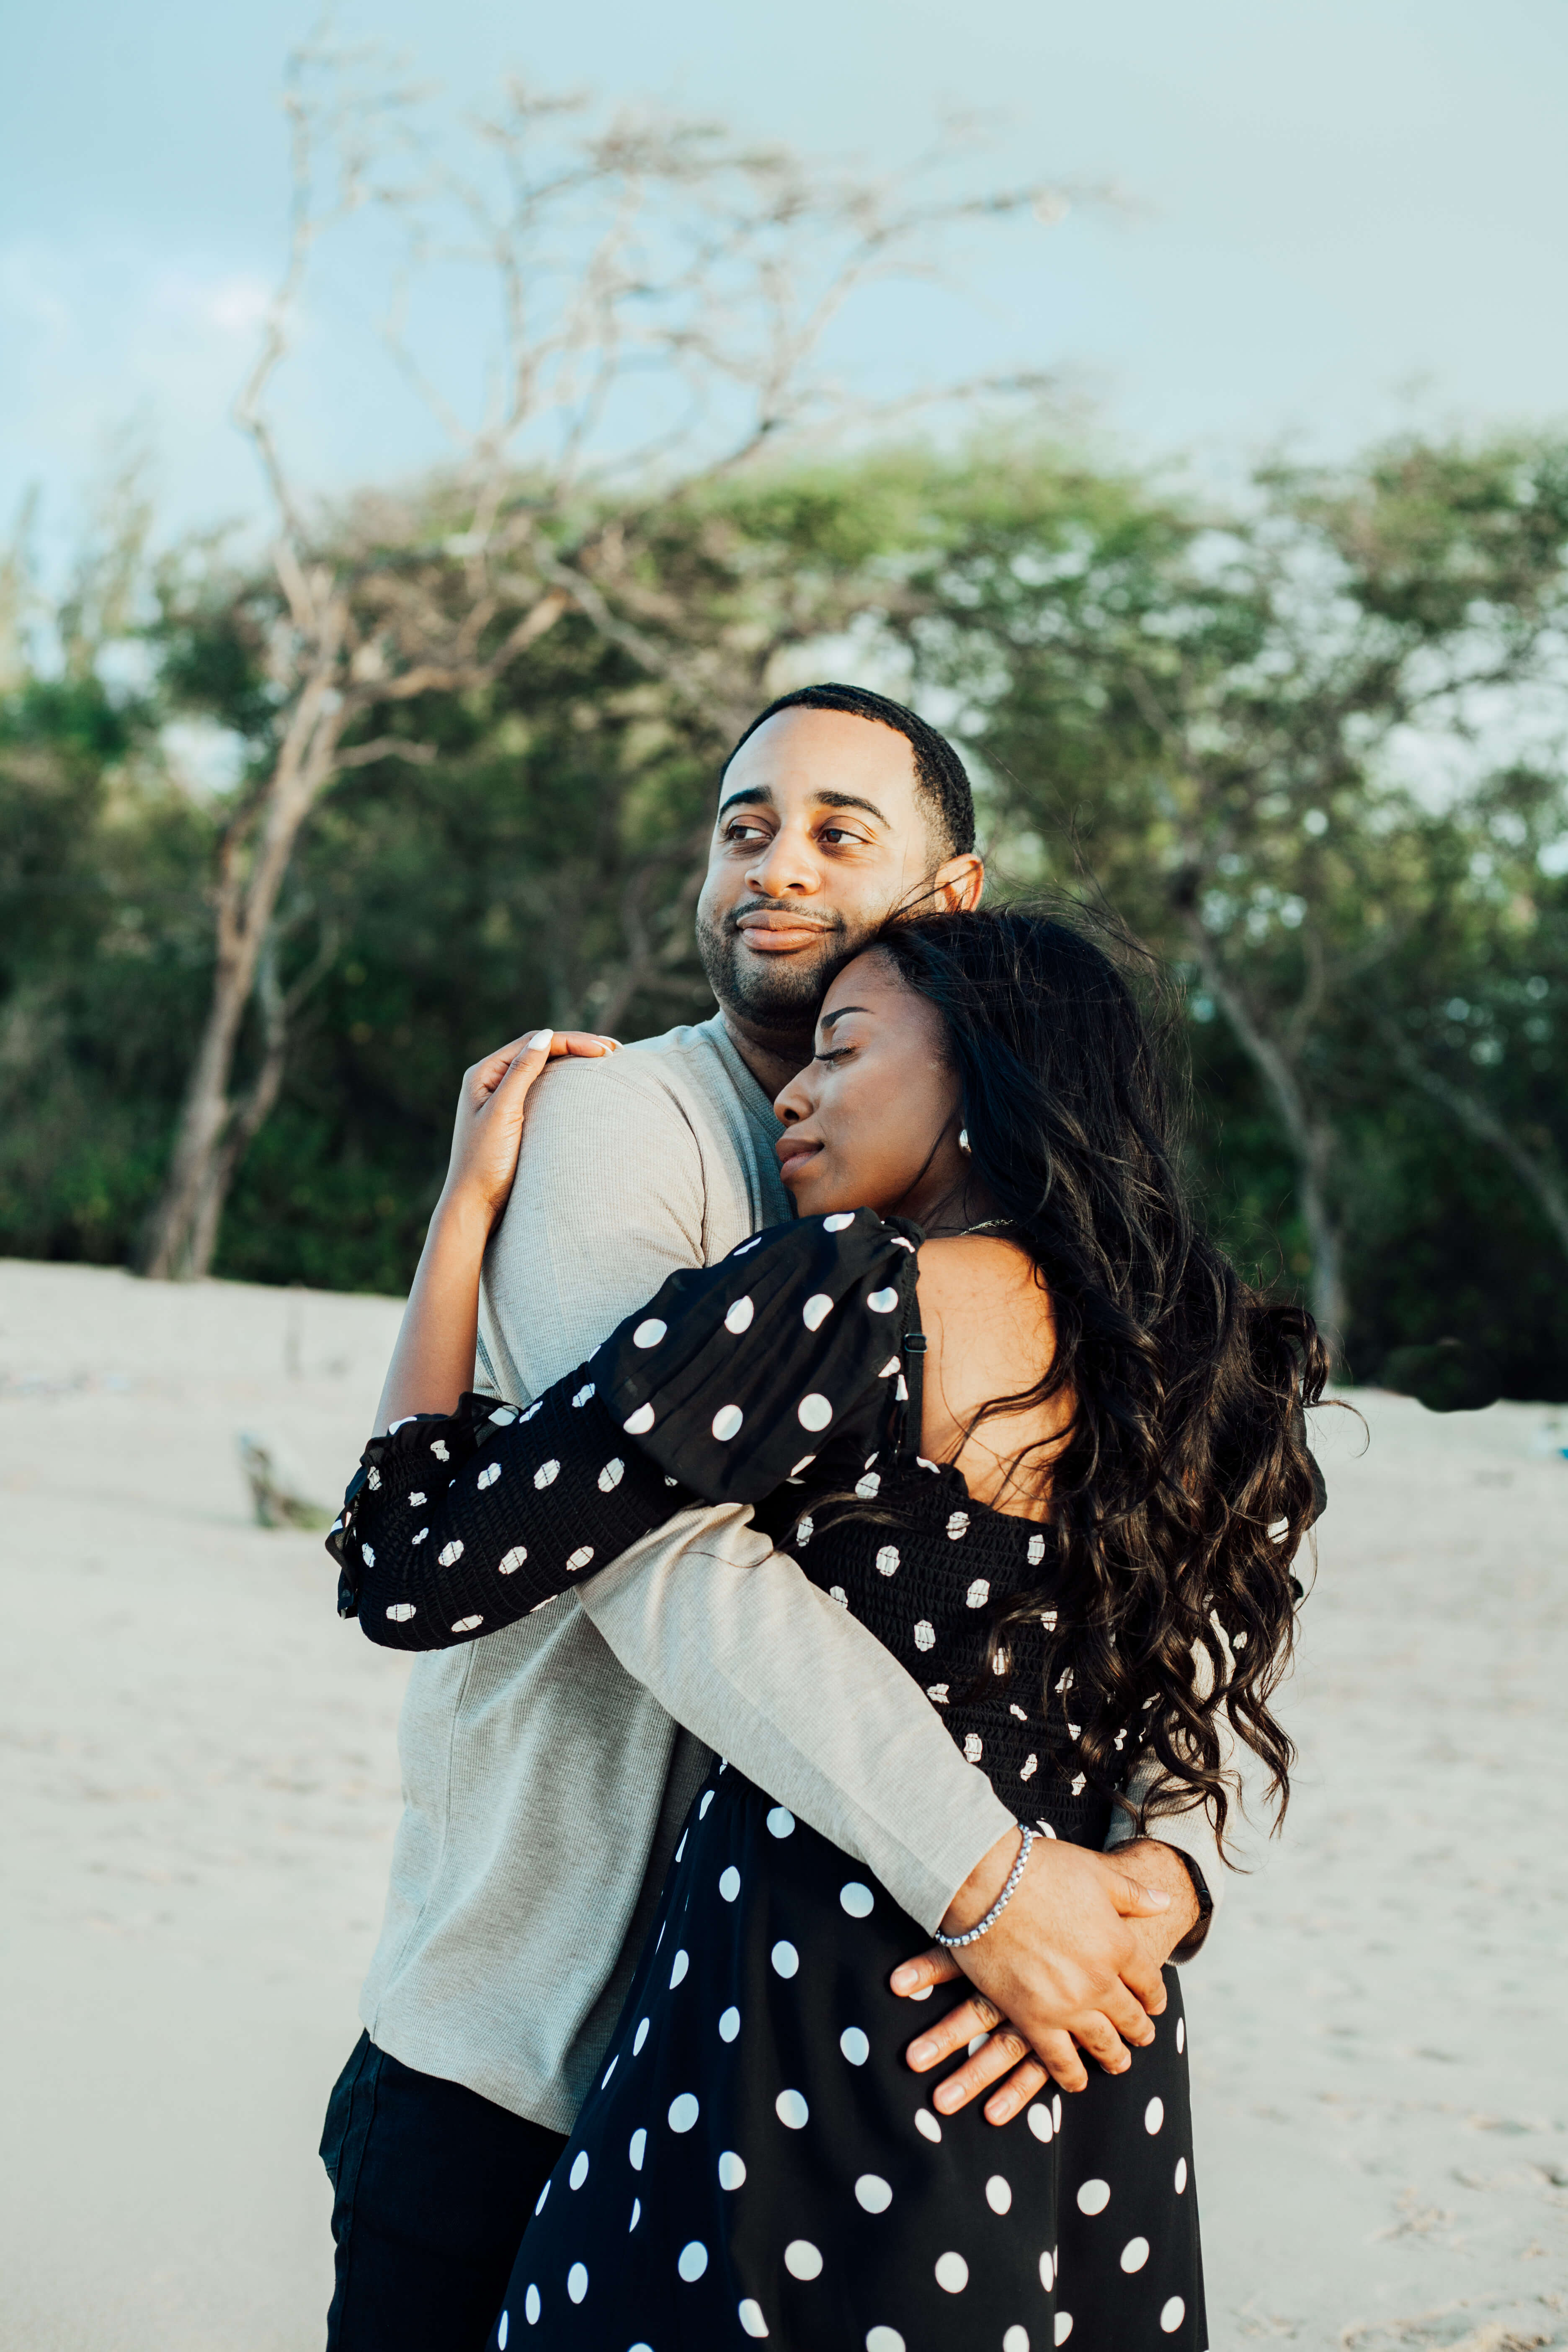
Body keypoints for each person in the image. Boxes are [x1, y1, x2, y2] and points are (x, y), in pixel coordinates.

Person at [319, 688, 1233, 2349]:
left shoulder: (977, 1280)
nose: (774, 865)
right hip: (547, 2039)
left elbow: (1163, 1605)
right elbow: (662, 1568)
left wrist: (1160, 1870)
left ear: (956, 904)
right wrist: (1007, 1888)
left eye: (837, 830)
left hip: (885, 2023)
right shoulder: (625, 1125)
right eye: (744, 826)